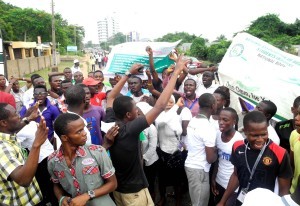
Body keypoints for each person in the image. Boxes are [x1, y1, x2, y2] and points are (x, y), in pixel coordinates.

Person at [106, 56, 189, 205]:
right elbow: (160, 106)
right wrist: (176, 72)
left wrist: (128, 74)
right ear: (128, 115)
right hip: (133, 193)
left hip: (118, 188)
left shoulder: (111, 121)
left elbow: (111, 96)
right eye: (135, 109)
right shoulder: (129, 130)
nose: (138, 111)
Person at [217, 111, 293, 206]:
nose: (260, 139)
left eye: (264, 134)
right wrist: (222, 201)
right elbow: (236, 175)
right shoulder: (237, 146)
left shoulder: (280, 153)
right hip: (241, 200)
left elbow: (284, 190)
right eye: (255, 135)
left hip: (265, 203)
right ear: (245, 131)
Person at [48, 113, 117, 206]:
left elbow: (112, 184)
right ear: (65, 137)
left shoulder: (98, 152)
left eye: (83, 128)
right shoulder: (53, 161)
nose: (85, 133)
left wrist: (87, 196)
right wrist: (61, 198)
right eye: (79, 131)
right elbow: (56, 185)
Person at [0, 103, 48, 205]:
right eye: (15, 114)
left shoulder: (7, 134)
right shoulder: (2, 149)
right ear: (4, 122)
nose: (19, 116)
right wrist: (37, 144)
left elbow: (16, 127)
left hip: (32, 199)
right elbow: (24, 180)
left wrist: (28, 118)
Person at [155, 95, 192, 206]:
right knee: (162, 179)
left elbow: (181, 132)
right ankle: (162, 198)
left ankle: (178, 200)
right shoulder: (159, 116)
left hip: (176, 152)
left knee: (177, 179)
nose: (169, 104)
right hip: (163, 152)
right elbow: (162, 121)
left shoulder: (176, 116)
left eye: (171, 102)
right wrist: (175, 106)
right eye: (166, 101)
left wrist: (175, 108)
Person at [185, 93, 218, 206]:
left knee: (196, 201)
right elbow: (210, 159)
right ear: (213, 105)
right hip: (199, 169)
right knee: (200, 203)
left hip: (192, 165)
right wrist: (216, 152)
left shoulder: (194, 120)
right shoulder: (208, 128)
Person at [211, 107, 244, 206]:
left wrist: (223, 201)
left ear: (234, 121)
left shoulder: (239, 141)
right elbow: (218, 159)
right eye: (219, 119)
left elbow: (238, 172)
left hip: (232, 187)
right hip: (219, 180)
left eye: (225, 120)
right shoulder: (217, 134)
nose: (221, 122)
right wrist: (213, 178)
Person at [289, 104, 300, 194]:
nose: (296, 118)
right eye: (298, 114)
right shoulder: (294, 135)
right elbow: (291, 165)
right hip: (294, 192)